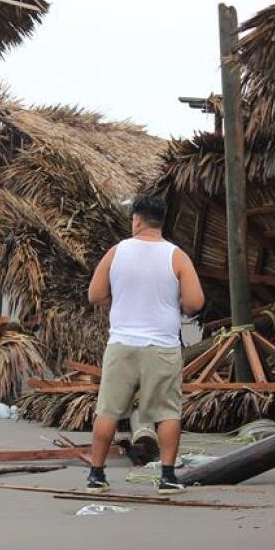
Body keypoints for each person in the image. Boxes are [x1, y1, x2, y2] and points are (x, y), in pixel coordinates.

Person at [86, 194, 203, 494]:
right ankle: (167, 477)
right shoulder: (176, 256)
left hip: (122, 343)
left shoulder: (116, 252)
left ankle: (96, 475)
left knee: (108, 410)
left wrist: (119, 299)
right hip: (161, 346)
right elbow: (195, 303)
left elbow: (95, 295)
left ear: (136, 219)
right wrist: (177, 304)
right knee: (166, 412)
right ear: (160, 221)